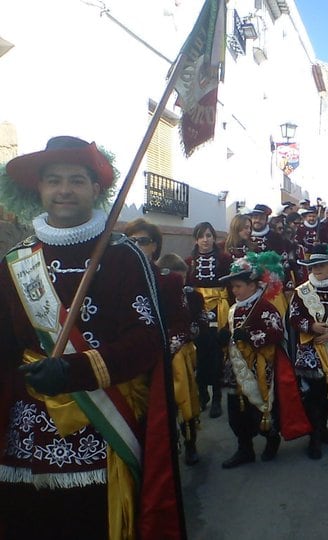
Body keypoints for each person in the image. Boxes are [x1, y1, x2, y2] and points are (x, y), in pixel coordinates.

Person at [0, 136, 182, 538]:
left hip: (103, 422)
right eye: (54, 180)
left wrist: (75, 371)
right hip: (27, 426)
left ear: (96, 189)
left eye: (77, 180)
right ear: (39, 188)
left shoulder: (123, 255)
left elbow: (147, 338)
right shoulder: (18, 258)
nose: (64, 189)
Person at [217, 253, 310, 468]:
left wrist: (251, 337)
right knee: (236, 412)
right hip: (236, 368)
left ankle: (271, 439)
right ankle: (244, 448)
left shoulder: (265, 307)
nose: (235, 291)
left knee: (260, 410)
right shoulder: (234, 309)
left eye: (238, 286)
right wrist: (223, 335)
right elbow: (231, 331)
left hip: (260, 371)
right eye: (233, 287)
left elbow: (276, 334)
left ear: (253, 285)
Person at [126, 218, 203, 466]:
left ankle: (189, 440)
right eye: (132, 241)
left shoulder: (169, 281)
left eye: (144, 241)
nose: (137, 245)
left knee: (180, 390)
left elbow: (182, 322)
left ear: (155, 246)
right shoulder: (116, 282)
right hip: (132, 358)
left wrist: (165, 348)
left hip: (167, 353)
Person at [289, 244, 328, 459]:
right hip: (309, 349)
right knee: (311, 394)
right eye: (313, 266)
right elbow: (294, 317)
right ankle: (313, 436)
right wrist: (311, 326)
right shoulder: (302, 291)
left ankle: (323, 426)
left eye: (321, 265)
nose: (317, 269)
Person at [156, 252, 204, 466]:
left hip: (182, 354)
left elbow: (196, 323)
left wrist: (191, 330)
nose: (180, 284)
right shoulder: (156, 293)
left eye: (183, 279)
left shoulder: (193, 296)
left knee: (186, 399)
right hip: (158, 355)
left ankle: (190, 442)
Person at [185, 221, 233, 418]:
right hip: (197, 310)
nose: (206, 240)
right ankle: (203, 393)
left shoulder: (225, 259)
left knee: (216, 352)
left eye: (209, 235)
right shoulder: (189, 262)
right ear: (196, 239)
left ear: (214, 237)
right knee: (200, 351)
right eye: (201, 236)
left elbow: (231, 286)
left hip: (218, 309)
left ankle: (216, 399)